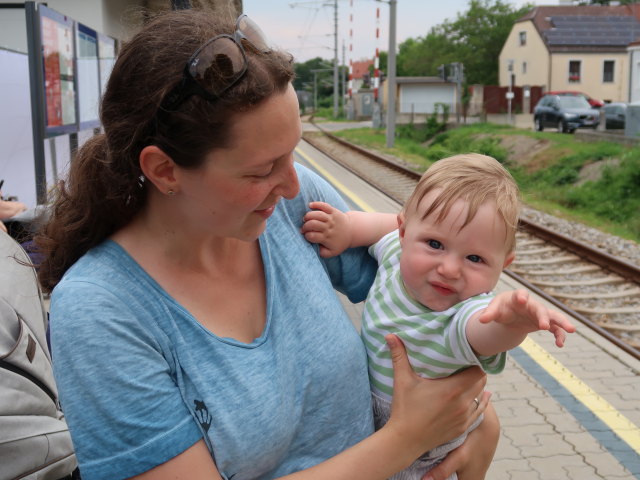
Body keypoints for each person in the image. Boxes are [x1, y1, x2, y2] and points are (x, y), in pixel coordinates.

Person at [36, 8, 499, 480]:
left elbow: (429, 300)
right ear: (164, 171)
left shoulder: (291, 212)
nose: (293, 185)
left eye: (293, 153)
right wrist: (406, 439)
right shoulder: (103, 312)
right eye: (261, 171)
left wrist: (477, 424)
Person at [302, 153, 576, 480]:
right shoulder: (397, 251)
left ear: (504, 265)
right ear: (404, 233)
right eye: (436, 243)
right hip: (376, 424)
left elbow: (483, 333)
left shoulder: (465, 310)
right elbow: (380, 228)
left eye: (475, 258)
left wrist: (511, 323)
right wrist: (347, 229)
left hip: (425, 450)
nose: (448, 269)